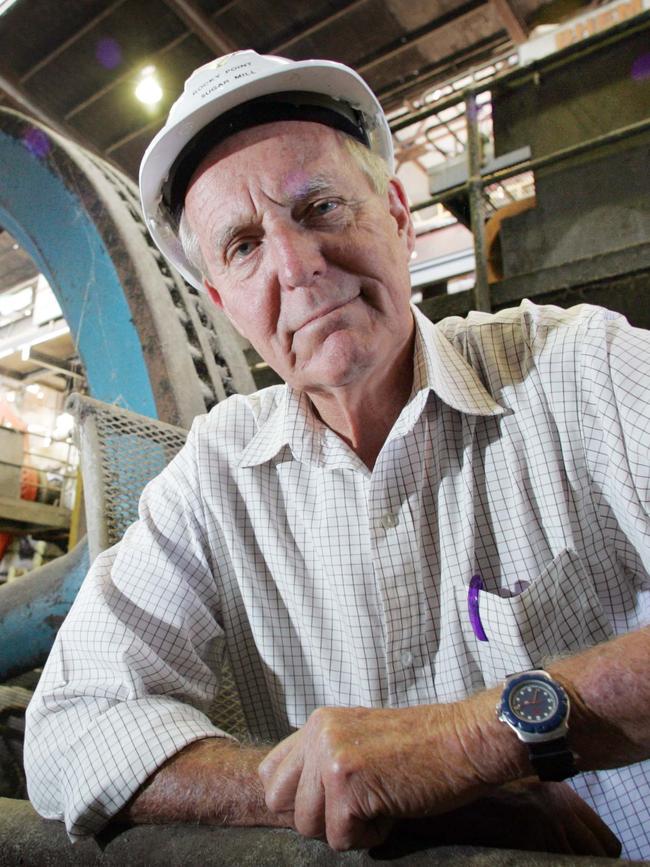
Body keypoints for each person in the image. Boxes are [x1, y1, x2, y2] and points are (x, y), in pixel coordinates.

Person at [24, 50, 649, 859]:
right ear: (221, 300)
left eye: (320, 206)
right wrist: (311, 788)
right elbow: (72, 720)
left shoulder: (578, 368)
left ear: (398, 213)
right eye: (244, 245)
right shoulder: (218, 476)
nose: (297, 263)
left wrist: (472, 741)